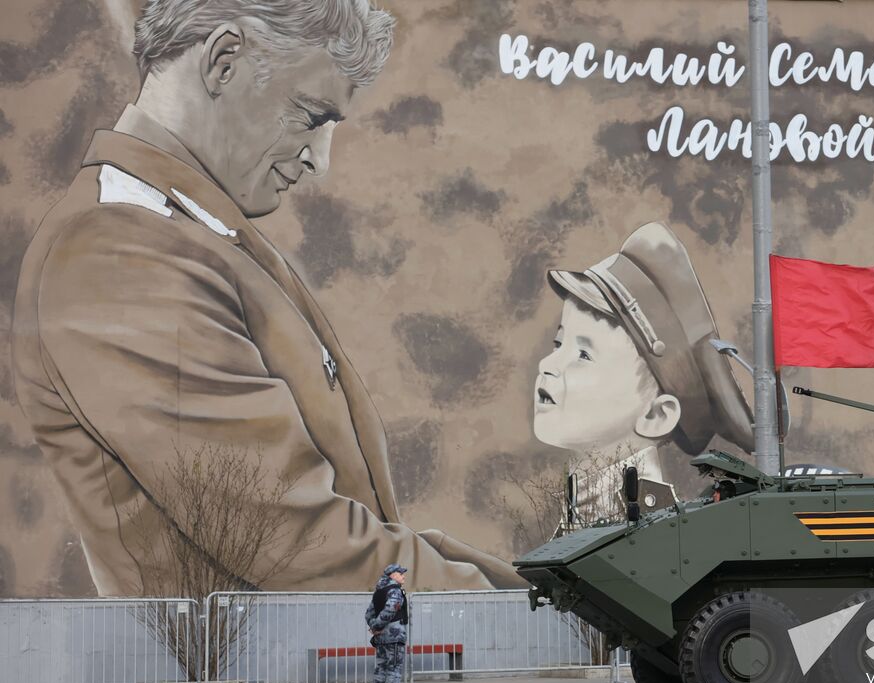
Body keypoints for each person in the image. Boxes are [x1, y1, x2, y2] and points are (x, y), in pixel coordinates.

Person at [10, 0, 520, 594]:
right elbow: (295, 542)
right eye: (309, 116)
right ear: (224, 61)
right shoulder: (119, 252)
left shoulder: (184, 228)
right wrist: (509, 613)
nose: (320, 160)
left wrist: (522, 595)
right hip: (253, 656)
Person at [534, 222, 753, 522]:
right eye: (558, 344)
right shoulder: (581, 511)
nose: (547, 365)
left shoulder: (657, 532)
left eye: (584, 354)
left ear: (656, 415)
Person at [366, 563, 414, 683]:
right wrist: (378, 626)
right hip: (394, 635)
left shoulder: (379, 592)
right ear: (392, 575)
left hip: (381, 637)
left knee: (380, 667)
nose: (403, 576)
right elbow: (391, 609)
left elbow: (368, 614)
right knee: (394, 667)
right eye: (401, 573)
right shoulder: (395, 591)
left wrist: (375, 627)